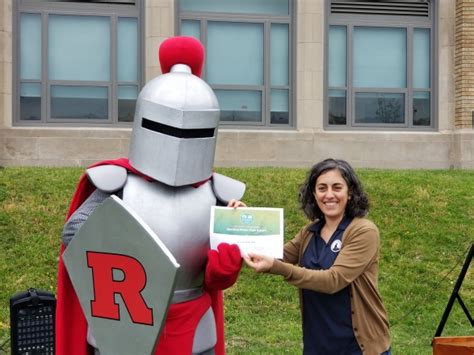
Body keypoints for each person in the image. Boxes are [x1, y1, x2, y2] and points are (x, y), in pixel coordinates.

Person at [55, 36, 245, 355]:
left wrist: (225, 264)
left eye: (194, 131)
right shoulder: (116, 181)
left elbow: (212, 278)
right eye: (167, 127)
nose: (179, 141)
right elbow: (76, 237)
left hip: (192, 323)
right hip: (124, 322)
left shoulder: (219, 193)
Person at [244, 158, 391, 355]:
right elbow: (275, 255)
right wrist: (242, 223)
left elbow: (333, 280)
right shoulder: (309, 232)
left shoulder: (363, 231)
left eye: (337, 187)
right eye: (322, 188)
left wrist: (278, 268)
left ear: (350, 193)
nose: (329, 195)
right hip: (319, 342)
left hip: (358, 346)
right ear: (314, 194)